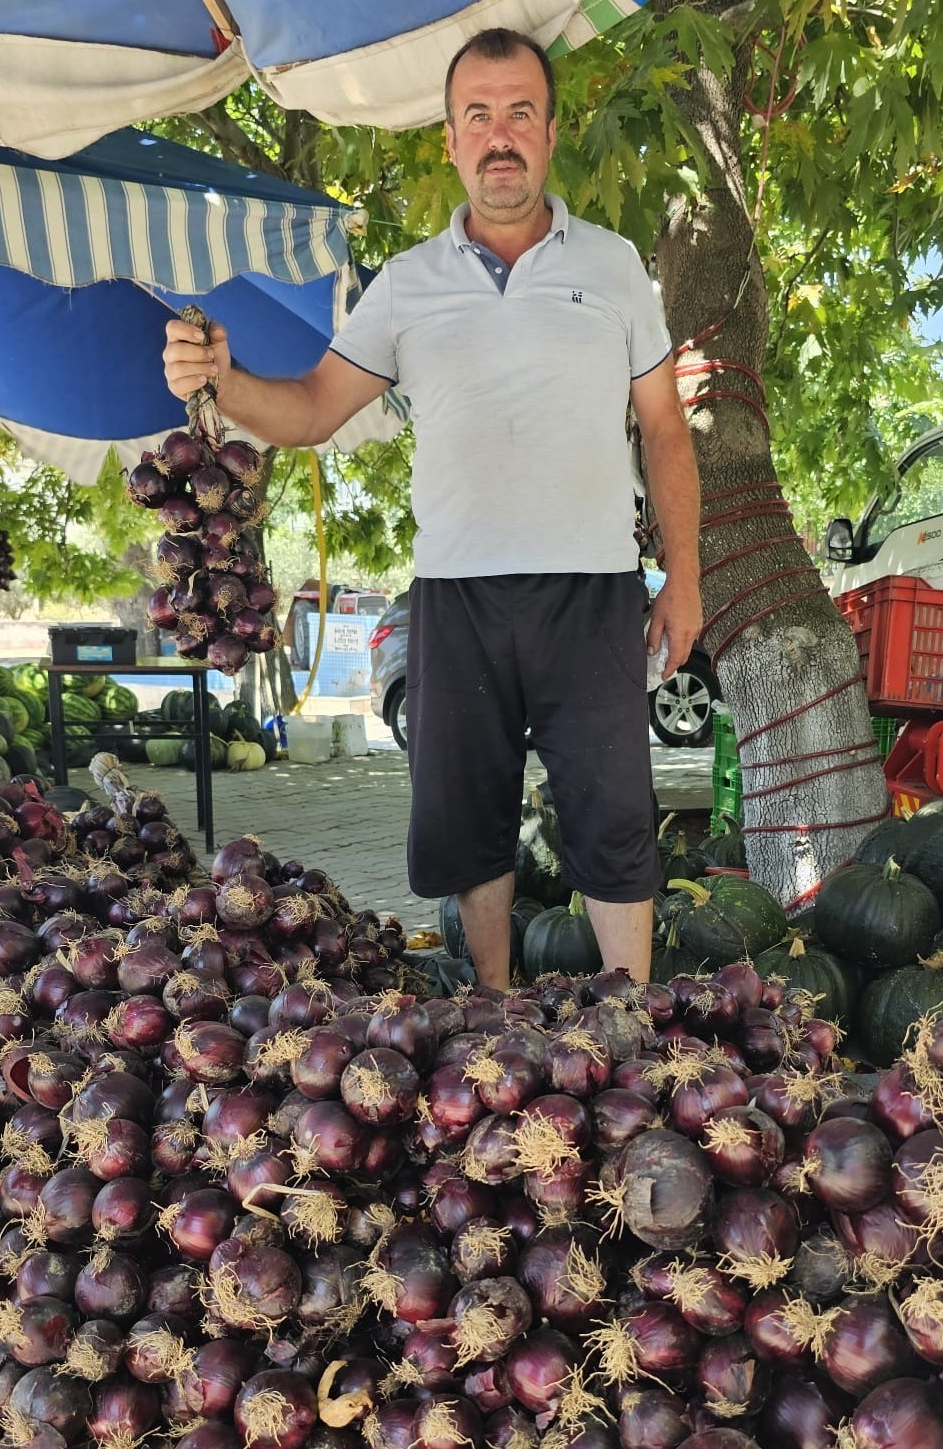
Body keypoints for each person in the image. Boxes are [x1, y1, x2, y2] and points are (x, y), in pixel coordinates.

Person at [163, 27, 703, 989]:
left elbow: (665, 429)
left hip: (595, 591)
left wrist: (687, 584)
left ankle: (638, 1027)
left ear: (550, 132)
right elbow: (314, 408)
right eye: (479, 116)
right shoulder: (407, 283)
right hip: (455, 595)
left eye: (521, 114)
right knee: (465, 820)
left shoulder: (618, 266)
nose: (502, 136)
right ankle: (493, 1020)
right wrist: (222, 377)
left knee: (616, 818)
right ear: (451, 139)